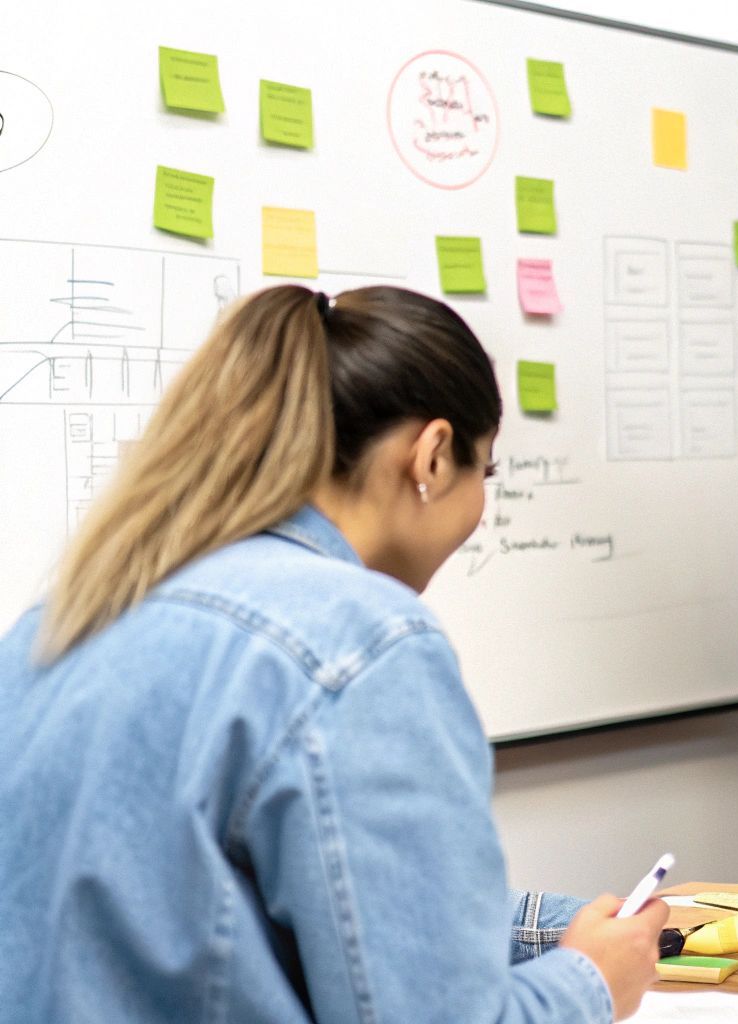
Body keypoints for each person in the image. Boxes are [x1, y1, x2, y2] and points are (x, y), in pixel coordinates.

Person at [0, 286, 667, 1022]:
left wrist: (556, 931)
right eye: (489, 474)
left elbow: (271, 912)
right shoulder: (365, 644)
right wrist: (593, 984)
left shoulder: (62, 616)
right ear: (434, 456)